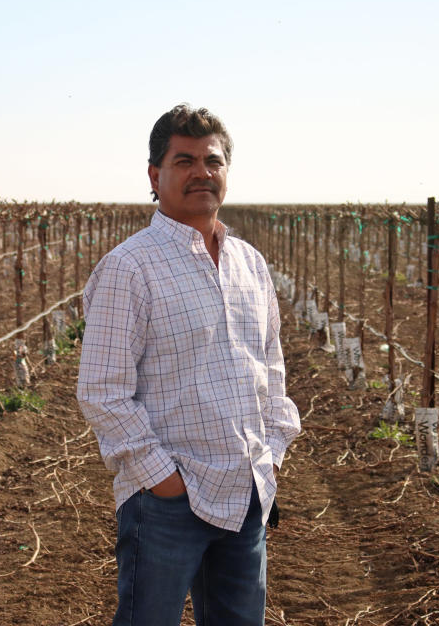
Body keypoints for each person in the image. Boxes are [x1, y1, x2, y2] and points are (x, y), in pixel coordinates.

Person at [76, 104, 300, 626]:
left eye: (213, 160)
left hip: (245, 491)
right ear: (156, 176)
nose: (202, 171)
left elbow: (269, 367)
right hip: (167, 503)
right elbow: (102, 391)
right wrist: (164, 479)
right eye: (184, 161)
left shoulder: (250, 262)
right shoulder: (129, 267)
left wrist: (272, 453)